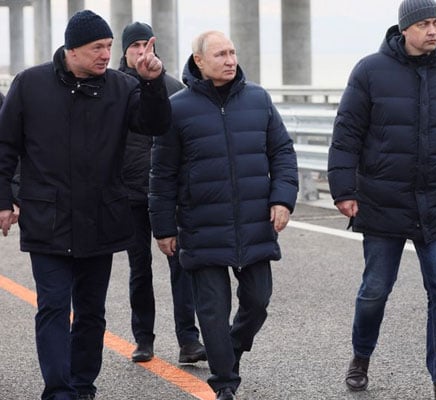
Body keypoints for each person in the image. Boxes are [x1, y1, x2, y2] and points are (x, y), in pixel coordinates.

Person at [0, 9, 171, 400]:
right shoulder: (30, 85)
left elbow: (156, 124)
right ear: (72, 49)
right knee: (54, 307)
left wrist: (152, 82)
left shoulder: (122, 87)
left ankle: (82, 386)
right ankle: (58, 390)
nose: (105, 55)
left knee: (91, 312)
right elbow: (5, 146)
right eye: (98, 47)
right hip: (48, 217)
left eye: (109, 47)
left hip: (100, 217)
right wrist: (3, 199)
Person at [327, 0, 436, 398]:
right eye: (425, 24)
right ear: (404, 28)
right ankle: (361, 356)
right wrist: (343, 190)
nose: (433, 31)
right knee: (375, 289)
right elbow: (347, 134)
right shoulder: (369, 72)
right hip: (382, 201)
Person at [148, 30, 298, 400]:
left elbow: (282, 153)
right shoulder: (178, 108)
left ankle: (230, 350)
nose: (230, 60)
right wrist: (164, 228)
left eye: (232, 52)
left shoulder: (259, 99)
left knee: (258, 302)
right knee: (212, 313)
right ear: (199, 61)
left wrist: (283, 199)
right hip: (202, 227)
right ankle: (225, 385)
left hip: (254, 225)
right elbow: (162, 174)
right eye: (220, 54)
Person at [119, 21, 206, 365]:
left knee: (181, 266)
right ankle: (143, 339)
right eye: (134, 46)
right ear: (123, 51)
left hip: (169, 194)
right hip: (129, 194)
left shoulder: (173, 88)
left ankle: (189, 340)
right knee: (139, 268)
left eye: (146, 44)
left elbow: (187, 140)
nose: (141, 51)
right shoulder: (113, 89)